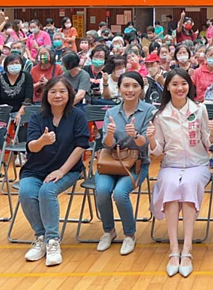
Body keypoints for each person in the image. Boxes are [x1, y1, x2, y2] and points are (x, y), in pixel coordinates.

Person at [148, 68, 213, 277]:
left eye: (184, 84)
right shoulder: (159, 115)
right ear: (167, 87)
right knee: (170, 185)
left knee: (187, 185)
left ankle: (187, 249)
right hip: (171, 165)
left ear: (190, 86)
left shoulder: (200, 109)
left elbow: (208, 143)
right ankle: (173, 250)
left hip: (198, 165)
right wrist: (151, 139)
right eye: (175, 84)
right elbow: (158, 151)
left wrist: (212, 135)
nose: (180, 88)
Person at [19, 76, 89, 266]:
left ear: (69, 94)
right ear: (45, 94)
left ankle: (52, 240)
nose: (58, 95)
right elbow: (31, 147)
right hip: (35, 169)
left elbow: (81, 146)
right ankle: (40, 237)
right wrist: (42, 141)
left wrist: (61, 171)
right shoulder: (37, 117)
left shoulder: (78, 116)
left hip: (67, 169)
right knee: (25, 191)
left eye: (62, 91)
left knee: (46, 190)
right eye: (53, 91)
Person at [95, 72, 155, 256]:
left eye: (135, 86)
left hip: (136, 163)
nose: (130, 90)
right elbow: (106, 144)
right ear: (119, 88)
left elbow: (145, 143)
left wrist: (134, 135)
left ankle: (129, 234)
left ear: (141, 89)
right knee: (102, 191)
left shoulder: (149, 110)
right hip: (110, 162)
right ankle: (109, 231)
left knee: (121, 193)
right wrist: (110, 135)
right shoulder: (111, 112)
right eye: (126, 86)